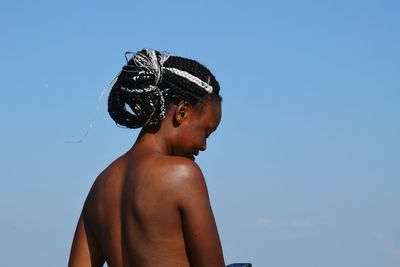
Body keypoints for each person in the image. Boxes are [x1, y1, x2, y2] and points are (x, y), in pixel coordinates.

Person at [68, 48, 226, 267]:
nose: (204, 145)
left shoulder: (101, 185)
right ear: (182, 112)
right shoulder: (183, 175)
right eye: (206, 133)